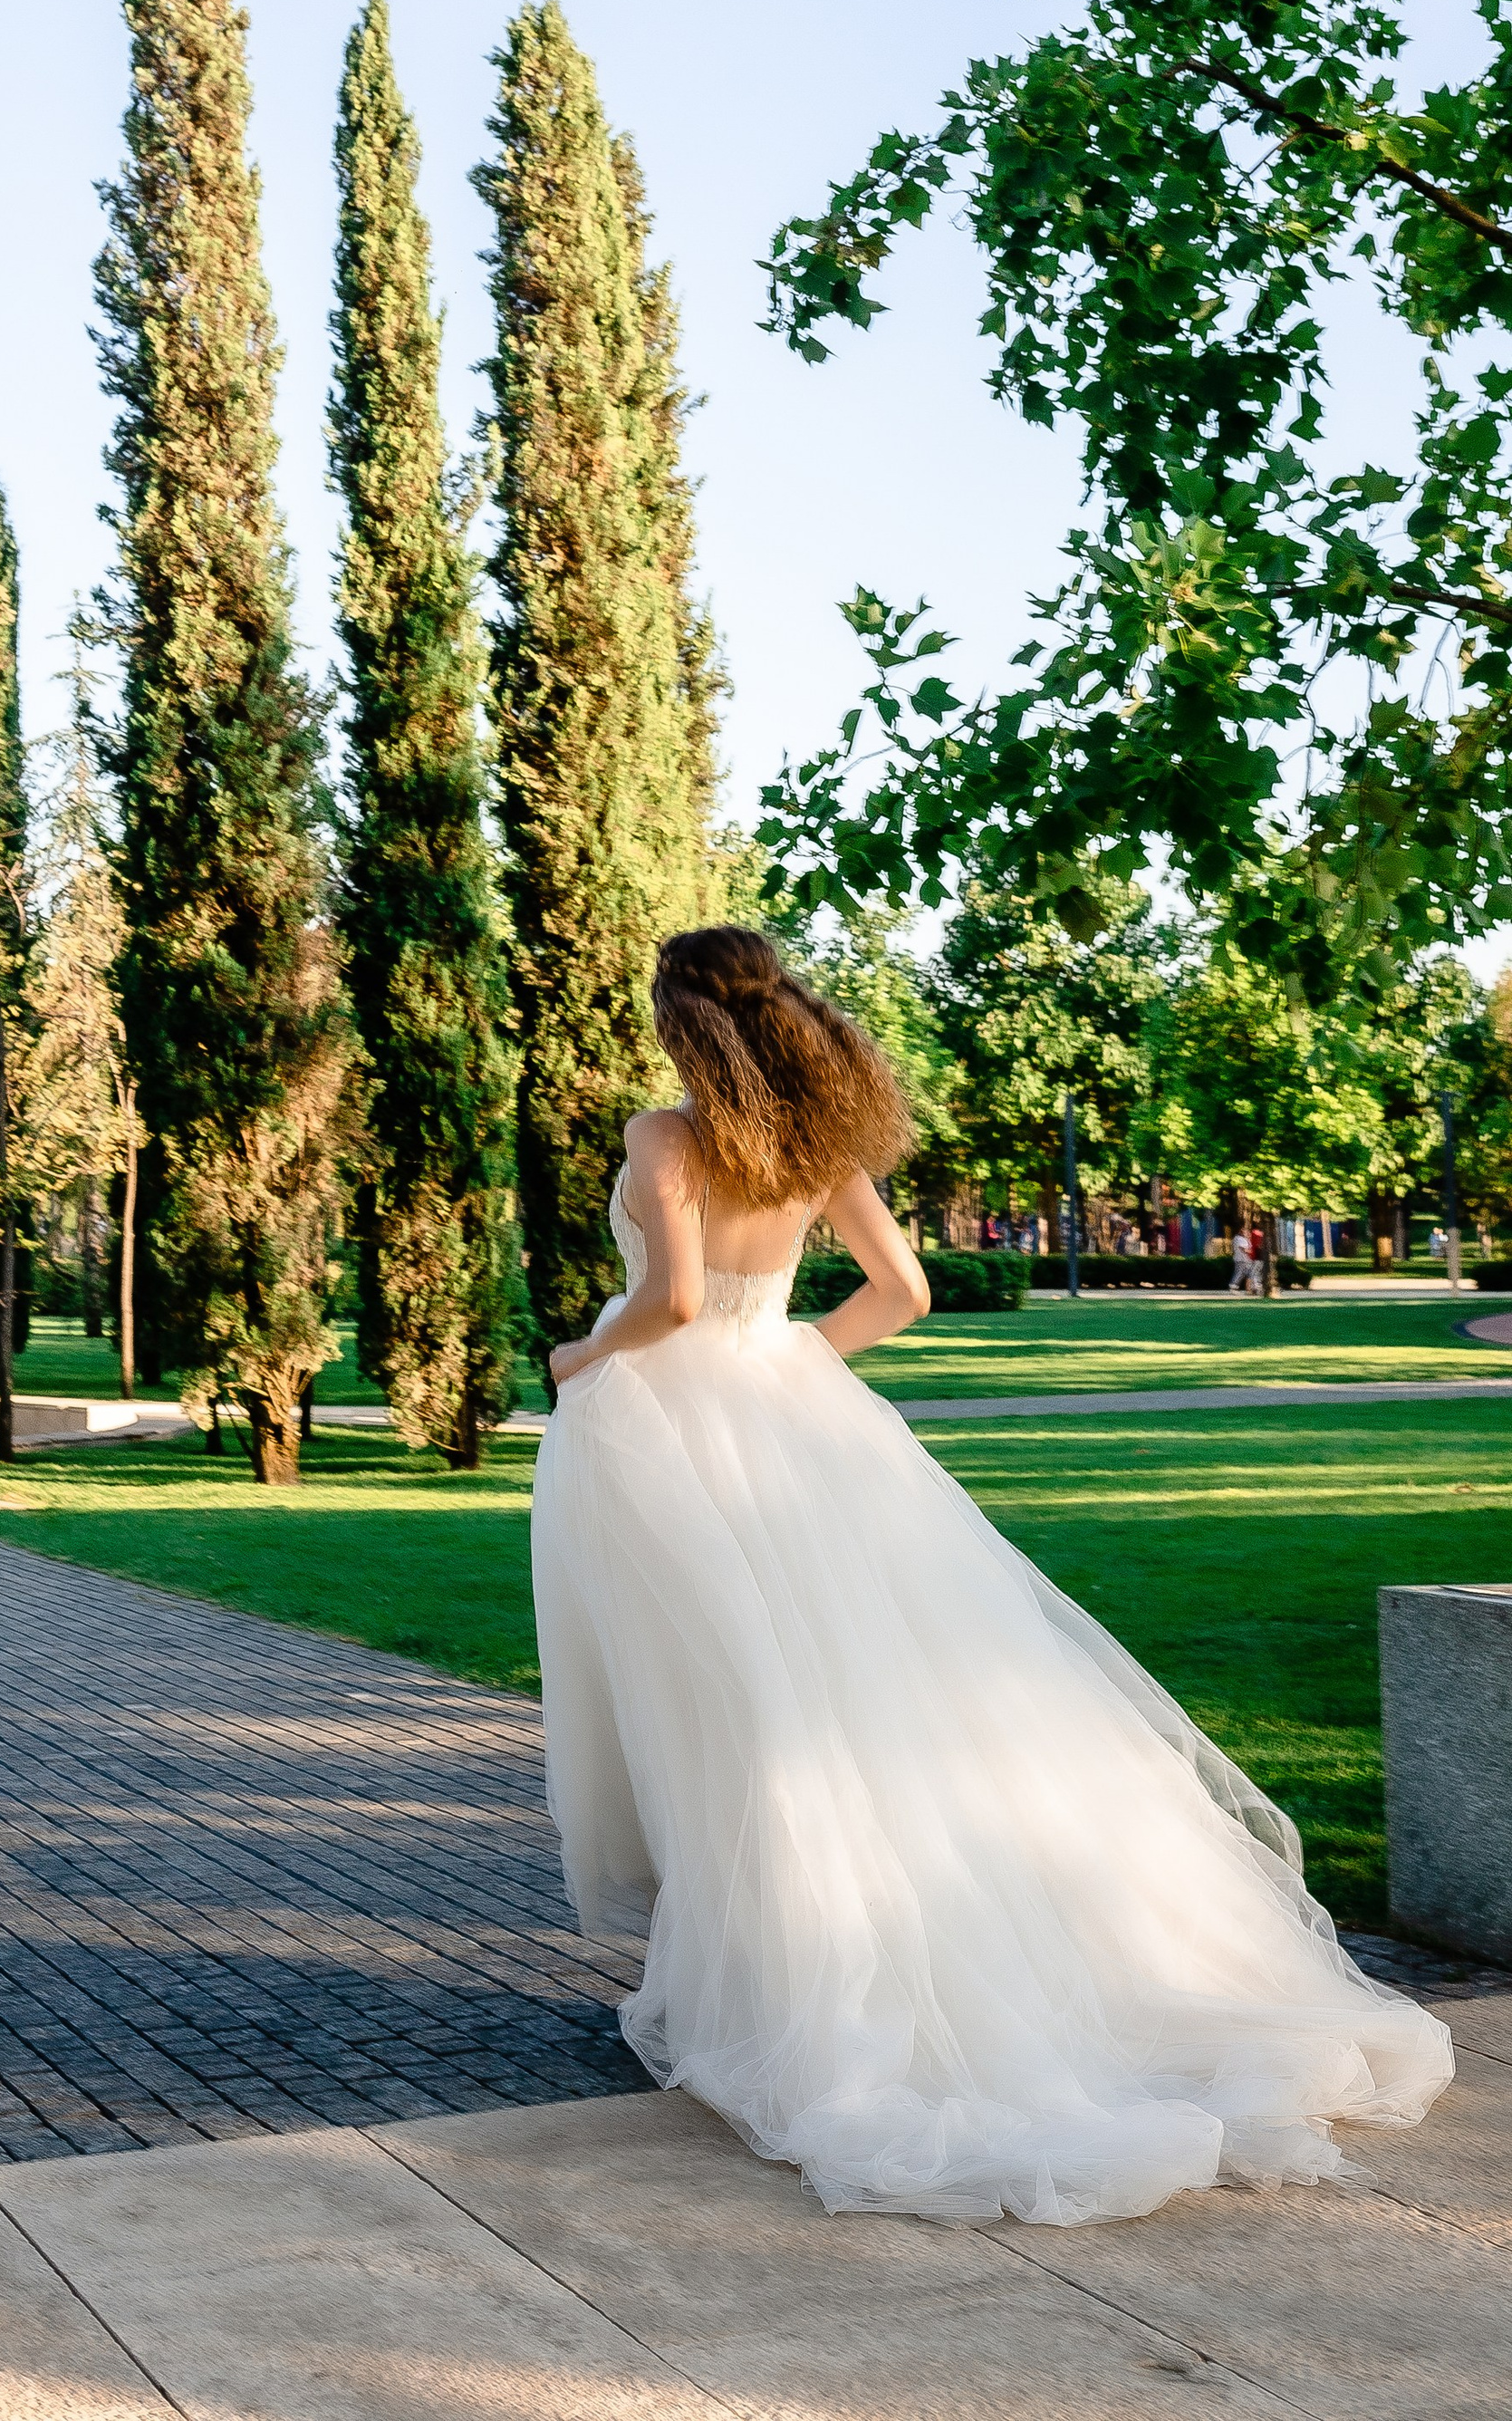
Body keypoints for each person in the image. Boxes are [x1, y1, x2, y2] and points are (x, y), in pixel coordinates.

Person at [530, 925, 1449, 2229]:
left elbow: (674, 1303)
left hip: (671, 1435)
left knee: (733, 1715)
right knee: (875, 1701)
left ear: (682, 1019)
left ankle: (789, 1998)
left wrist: (580, 1355)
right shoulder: (819, 1137)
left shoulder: (667, 1138)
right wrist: (798, 1363)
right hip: (797, 1423)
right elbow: (897, 1289)